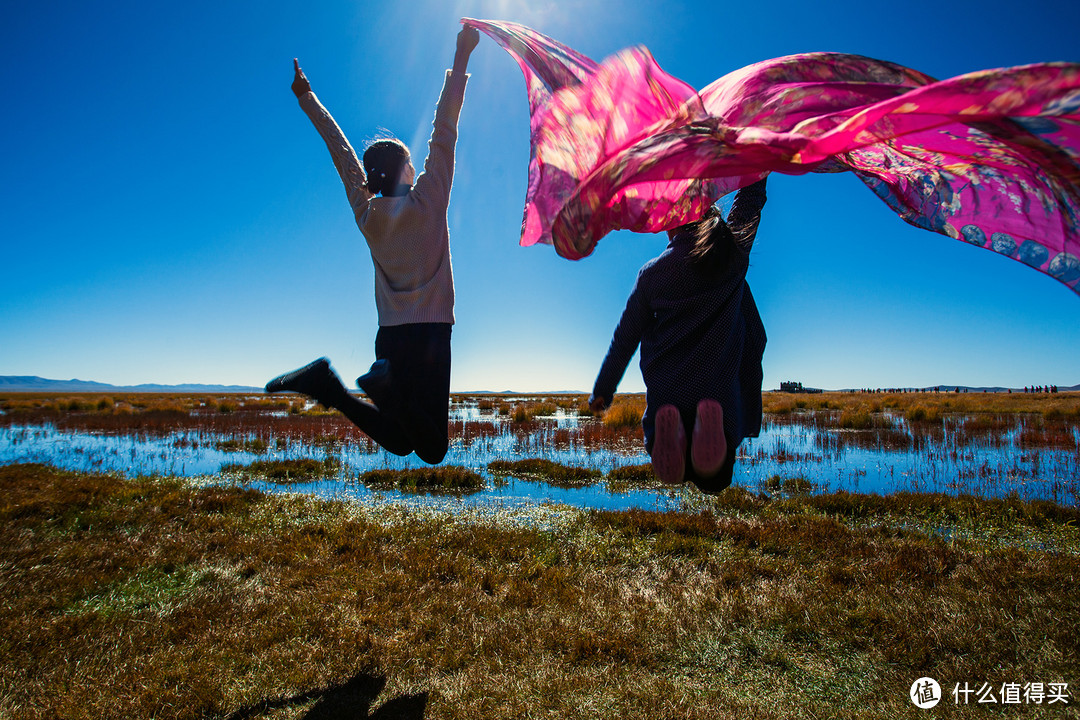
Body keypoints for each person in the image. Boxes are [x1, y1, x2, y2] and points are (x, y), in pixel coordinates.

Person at [265, 26, 480, 465]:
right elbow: (446, 125)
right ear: (405, 171)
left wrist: (308, 99)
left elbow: (341, 152)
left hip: (391, 339)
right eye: (411, 162)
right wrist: (461, 57)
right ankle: (374, 387)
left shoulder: (367, 214)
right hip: (432, 334)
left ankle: (329, 386)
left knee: (403, 441)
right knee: (433, 448)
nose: (418, 165)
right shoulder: (430, 199)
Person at [589, 178, 769, 492]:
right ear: (710, 214)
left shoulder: (652, 274)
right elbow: (750, 201)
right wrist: (758, 164)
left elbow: (625, 338)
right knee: (716, 480)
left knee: (664, 428)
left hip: (668, 392)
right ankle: (715, 437)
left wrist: (603, 389)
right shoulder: (732, 254)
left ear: (669, 226)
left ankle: (664, 433)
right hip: (718, 389)